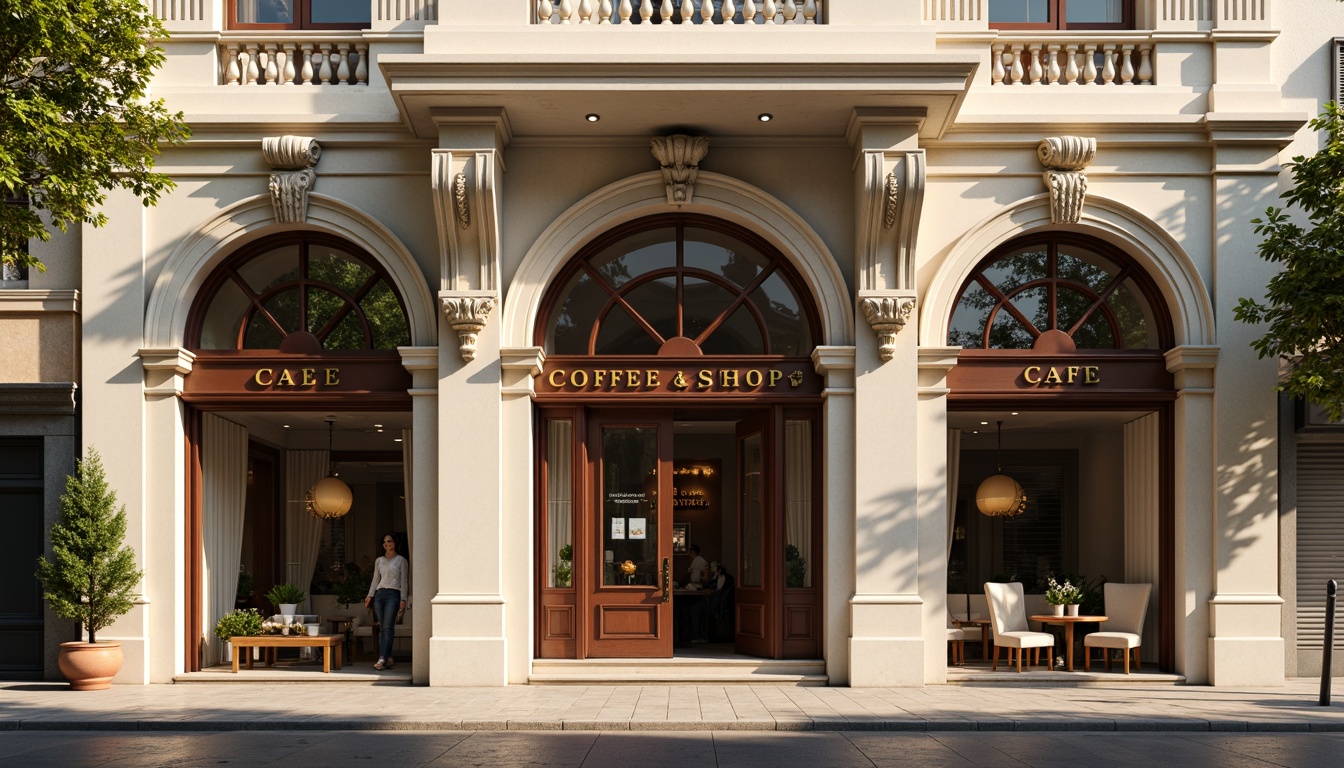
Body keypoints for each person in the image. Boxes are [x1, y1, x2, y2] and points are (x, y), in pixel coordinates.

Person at [364, 533, 407, 670]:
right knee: (383, 628)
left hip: (393, 595)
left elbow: (404, 581)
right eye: (384, 542)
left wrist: (403, 599)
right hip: (379, 595)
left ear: (395, 543)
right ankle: (388, 657)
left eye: (390, 541)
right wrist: (370, 595)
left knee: (388, 627)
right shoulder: (379, 560)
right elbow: (375, 580)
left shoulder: (401, 560)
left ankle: (381, 659)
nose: (387, 544)